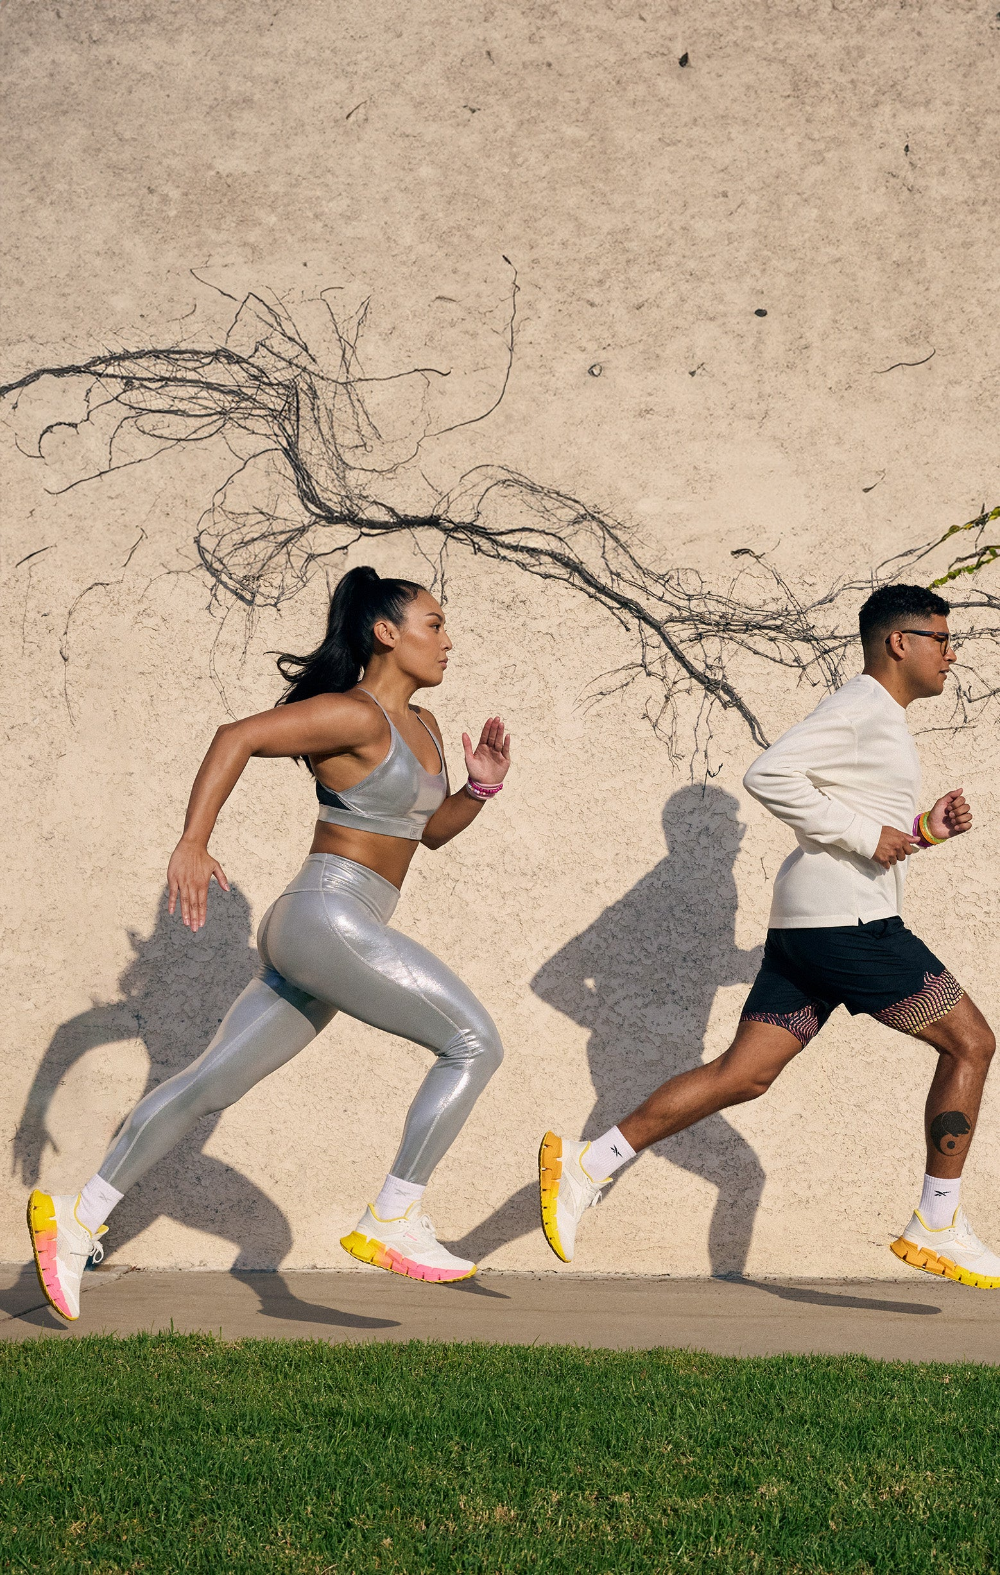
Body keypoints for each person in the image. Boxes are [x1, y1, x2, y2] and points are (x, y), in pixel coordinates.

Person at [27, 567, 511, 1320]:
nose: (448, 641)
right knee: (474, 1042)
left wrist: (477, 789)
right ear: (386, 633)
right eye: (434, 624)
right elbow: (238, 736)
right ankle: (394, 1214)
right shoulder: (351, 714)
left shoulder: (423, 728)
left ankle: (77, 1217)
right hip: (326, 913)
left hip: (341, 926)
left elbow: (426, 833)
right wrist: (193, 842)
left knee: (208, 1083)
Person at [538, 584, 999, 1289]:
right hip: (849, 925)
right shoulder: (861, 706)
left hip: (814, 925)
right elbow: (770, 773)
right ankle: (937, 1220)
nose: (952, 654)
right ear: (899, 642)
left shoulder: (881, 717)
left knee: (743, 1075)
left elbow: (862, 832)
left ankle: (586, 1163)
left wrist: (921, 832)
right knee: (972, 1042)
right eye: (941, 639)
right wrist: (864, 834)